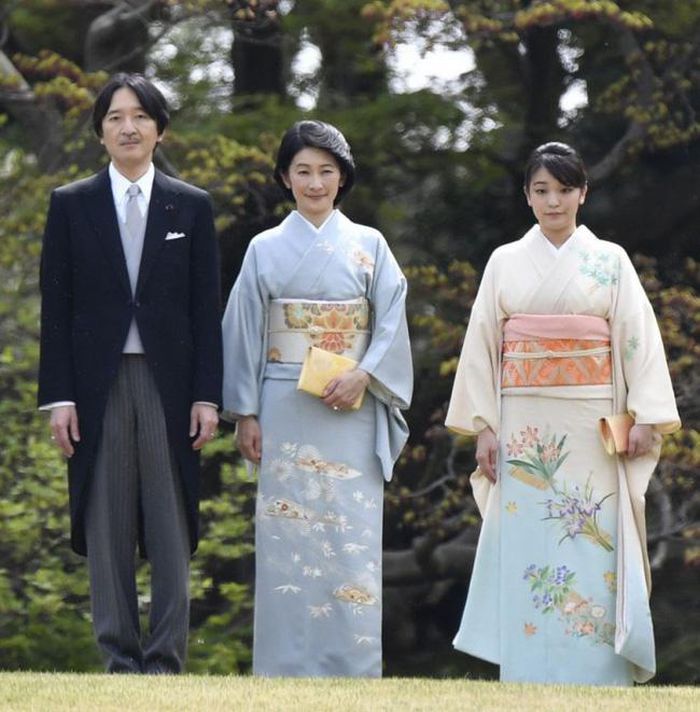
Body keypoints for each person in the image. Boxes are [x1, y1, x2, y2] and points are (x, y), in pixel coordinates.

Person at [446, 142, 680, 685]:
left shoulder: (610, 260)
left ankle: (596, 667)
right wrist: (484, 427)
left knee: (592, 534)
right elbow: (482, 345)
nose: (554, 201)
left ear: (583, 194)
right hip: (524, 423)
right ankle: (529, 665)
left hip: (591, 425)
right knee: (531, 538)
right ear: (527, 196)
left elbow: (637, 339)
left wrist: (646, 415)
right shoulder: (504, 261)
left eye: (565, 189)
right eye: (542, 190)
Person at [38, 73, 223, 674]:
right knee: (106, 522)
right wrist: (59, 397)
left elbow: (206, 310)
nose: (128, 127)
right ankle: (118, 657)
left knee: (171, 522)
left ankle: (166, 659)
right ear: (100, 132)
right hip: (97, 385)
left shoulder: (191, 205)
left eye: (141, 116)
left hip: (172, 385)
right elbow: (55, 309)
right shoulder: (71, 204)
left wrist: (208, 395)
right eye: (115, 117)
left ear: (160, 129)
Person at [222, 120, 412, 677]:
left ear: (342, 177)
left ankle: (353, 664)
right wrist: (246, 413)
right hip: (284, 402)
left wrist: (364, 374)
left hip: (351, 403)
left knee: (350, 533)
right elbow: (243, 330)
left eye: (326, 171)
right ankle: (284, 664)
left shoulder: (370, 245)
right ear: (285, 177)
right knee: (288, 530)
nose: (314, 183)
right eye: (302, 171)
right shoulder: (263, 249)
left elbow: (390, 321)